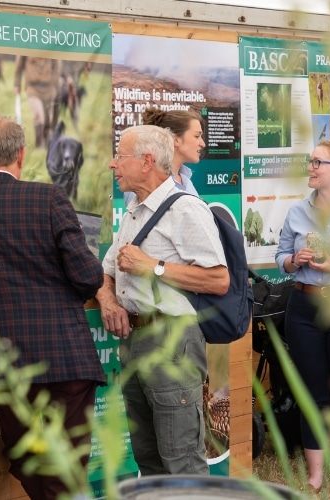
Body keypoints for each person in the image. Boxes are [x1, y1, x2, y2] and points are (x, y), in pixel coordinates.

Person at [0, 115, 105, 499]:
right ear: (22, 155)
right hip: (64, 357)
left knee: (28, 464)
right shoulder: (49, 198)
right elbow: (87, 276)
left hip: (1, 365)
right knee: (65, 472)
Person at [96, 125, 228, 476]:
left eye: (120, 156)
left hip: (173, 342)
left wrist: (153, 267)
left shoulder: (187, 211)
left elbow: (219, 279)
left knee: (181, 459)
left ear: (146, 162)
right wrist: (108, 299)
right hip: (135, 340)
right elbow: (106, 270)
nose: (113, 164)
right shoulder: (136, 211)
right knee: (149, 459)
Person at [275, 140, 330, 493]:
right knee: (311, 391)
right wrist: (295, 260)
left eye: (318, 162)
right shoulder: (296, 212)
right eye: (310, 161)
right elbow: (282, 258)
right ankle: (316, 474)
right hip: (304, 308)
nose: (311, 167)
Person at [122, 107, 204, 206]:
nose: (202, 144)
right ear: (175, 140)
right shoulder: (144, 182)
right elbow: (141, 218)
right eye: (196, 136)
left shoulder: (185, 180)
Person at [14, 56, 62, 149]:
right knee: (39, 116)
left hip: (49, 88)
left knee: (49, 118)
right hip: (33, 88)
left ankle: (48, 141)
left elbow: (57, 65)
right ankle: (39, 144)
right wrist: (17, 83)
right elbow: (19, 65)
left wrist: (55, 83)